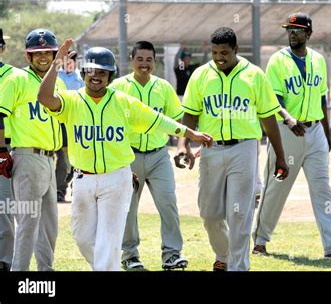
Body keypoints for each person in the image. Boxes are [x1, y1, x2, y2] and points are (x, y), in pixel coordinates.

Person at [37, 39, 213, 271]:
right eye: (91, 71)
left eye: (103, 72)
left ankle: (108, 267)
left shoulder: (122, 101)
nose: (96, 76)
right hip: (83, 179)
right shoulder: (72, 100)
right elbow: (44, 97)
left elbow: (158, 120)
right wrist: (58, 61)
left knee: (109, 240)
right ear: (84, 72)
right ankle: (106, 266)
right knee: (82, 237)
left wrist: (190, 133)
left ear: (111, 75)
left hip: (116, 179)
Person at [174, 27, 289, 271]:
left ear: (236, 50)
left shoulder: (254, 75)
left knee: (239, 213)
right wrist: (183, 144)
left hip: (244, 148)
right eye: (215, 52)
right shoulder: (201, 75)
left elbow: (269, 118)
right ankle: (224, 255)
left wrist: (280, 155)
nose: (219, 57)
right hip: (211, 148)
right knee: (210, 214)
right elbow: (190, 115)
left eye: (224, 52)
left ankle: (239, 266)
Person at [252, 13, 331, 260]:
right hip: (286, 134)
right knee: (276, 187)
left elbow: (322, 99)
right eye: (289, 29)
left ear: (308, 34)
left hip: (316, 133)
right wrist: (289, 119)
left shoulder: (319, 60)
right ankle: (259, 241)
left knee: (323, 188)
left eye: (298, 29)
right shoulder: (278, 61)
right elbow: (274, 101)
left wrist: (327, 131)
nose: (292, 33)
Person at [110, 41, 188, 271]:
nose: (144, 64)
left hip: (159, 155)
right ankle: (130, 255)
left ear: (155, 61)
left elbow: (178, 119)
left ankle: (172, 255)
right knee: (129, 208)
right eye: (140, 59)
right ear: (131, 60)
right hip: (129, 157)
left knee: (168, 204)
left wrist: (182, 145)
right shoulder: (118, 87)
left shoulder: (163, 87)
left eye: (149, 60)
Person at [0, 28, 65, 271]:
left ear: (54, 54)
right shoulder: (16, 79)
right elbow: (0, 114)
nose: (42, 56)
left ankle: (45, 273)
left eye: (47, 52)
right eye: (36, 53)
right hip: (27, 157)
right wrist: (1, 152)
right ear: (27, 56)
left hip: (50, 159)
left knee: (49, 224)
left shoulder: (56, 84)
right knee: (27, 222)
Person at [56, 51, 84, 203]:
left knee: (76, 155)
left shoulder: (80, 78)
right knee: (61, 156)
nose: (68, 65)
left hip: (75, 121)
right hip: (59, 122)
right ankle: (60, 189)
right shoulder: (56, 77)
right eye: (66, 62)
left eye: (71, 62)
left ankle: (76, 188)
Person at [0, 28, 17, 271]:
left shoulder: (14, 76)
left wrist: (4, 150)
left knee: (4, 208)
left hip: (5, 148)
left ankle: (4, 262)